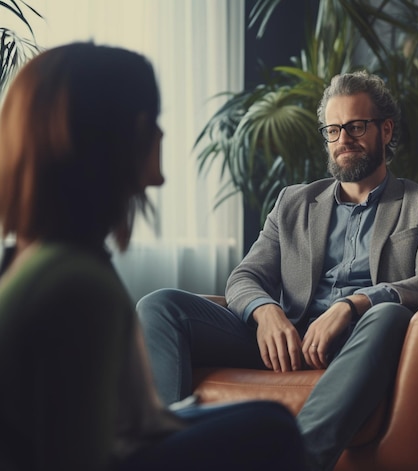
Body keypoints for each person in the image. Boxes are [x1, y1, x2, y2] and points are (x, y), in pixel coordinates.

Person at [137, 70, 418, 471]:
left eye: (356, 126)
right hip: (288, 341)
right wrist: (264, 311)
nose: (343, 139)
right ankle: (167, 456)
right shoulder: (294, 202)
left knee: (388, 313)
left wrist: (354, 305)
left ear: (386, 130)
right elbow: (244, 277)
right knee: (160, 305)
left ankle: (296, 462)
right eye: (333, 129)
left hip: (364, 342)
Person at [0, 42, 304, 471]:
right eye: (153, 120)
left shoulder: (31, 260)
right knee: (272, 429)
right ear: (125, 134)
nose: (162, 134)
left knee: (257, 420)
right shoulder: (78, 283)